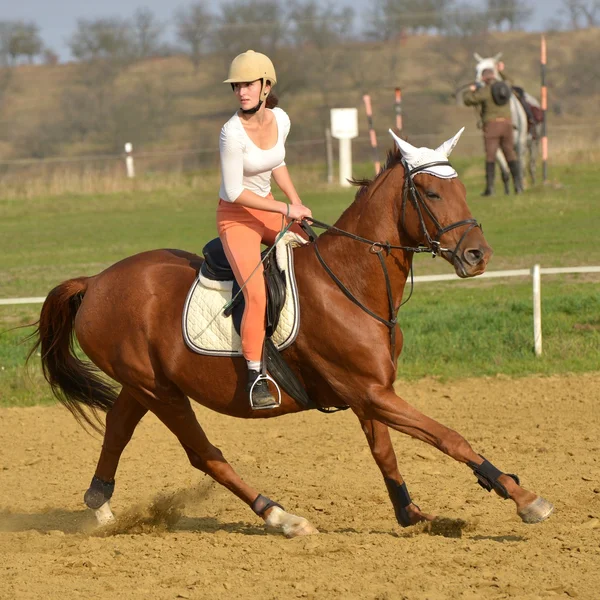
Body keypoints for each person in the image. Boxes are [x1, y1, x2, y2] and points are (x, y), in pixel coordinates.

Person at [217, 49, 312, 409]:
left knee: (313, 250)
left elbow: (277, 161)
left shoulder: (281, 120)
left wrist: (297, 203)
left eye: (248, 85)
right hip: (236, 217)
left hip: (270, 208)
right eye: (237, 86)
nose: (242, 91)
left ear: (266, 86)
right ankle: (256, 374)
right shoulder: (230, 133)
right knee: (255, 294)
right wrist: (285, 208)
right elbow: (234, 192)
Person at [463, 61, 523, 196]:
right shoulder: (505, 87)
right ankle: (518, 186)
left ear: (484, 78)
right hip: (508, 125)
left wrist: (470, 90)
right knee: (510, 154)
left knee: (490, 156)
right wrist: (501, 71)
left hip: (492, 127)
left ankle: (490, 189)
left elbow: (468, 100)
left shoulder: (485, 91)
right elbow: (510, 81)